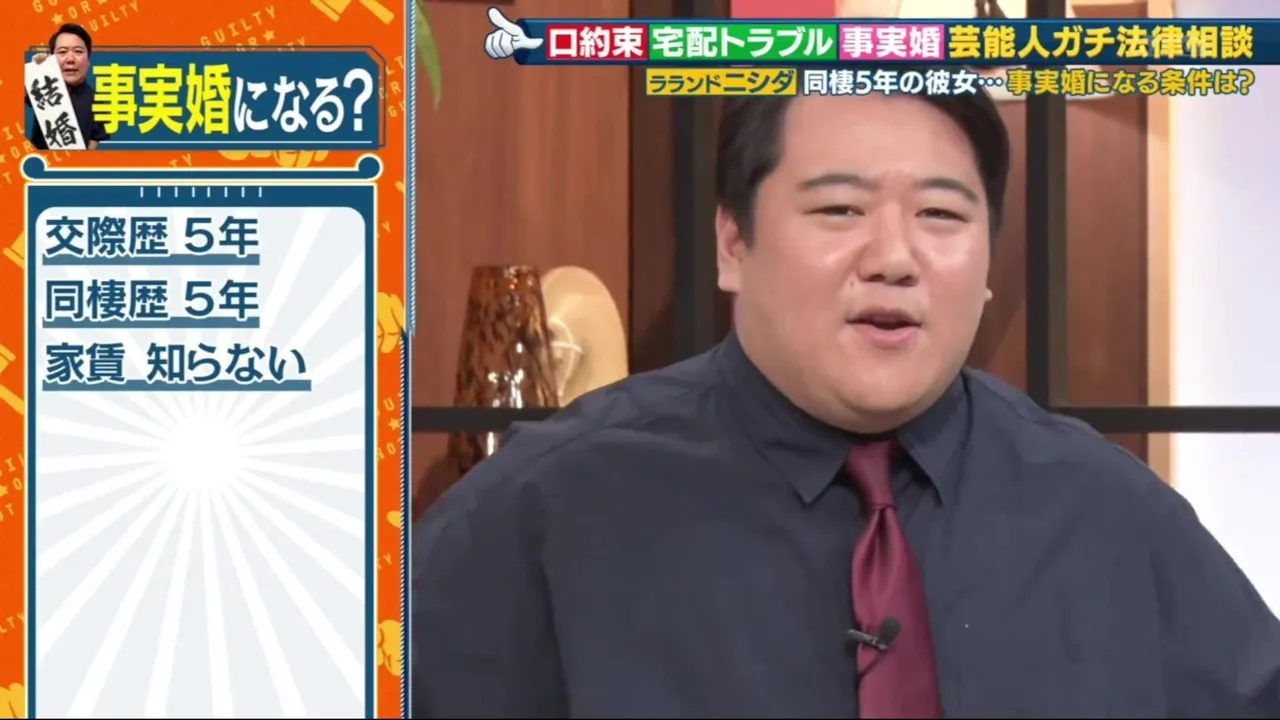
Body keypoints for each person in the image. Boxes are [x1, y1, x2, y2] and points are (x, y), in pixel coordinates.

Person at [413, 78, 1280, 716]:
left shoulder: (1107, 511)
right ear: (733, 243)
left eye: (941, 216)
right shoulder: (552, 502)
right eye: (839, 210)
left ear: (988, 261)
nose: (894, 258)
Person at [23, 23, 109, 150]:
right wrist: (35, 73)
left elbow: (96, 137)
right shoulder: (43, 86)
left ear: (88, 59)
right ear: (52, 58)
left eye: (78, 51)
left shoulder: (97, 100)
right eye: (62, 52)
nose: (70, 59)